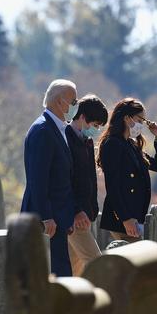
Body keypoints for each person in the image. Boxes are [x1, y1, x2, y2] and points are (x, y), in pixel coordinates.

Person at [21, 79, 78, 276]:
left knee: (61, 275)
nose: (75, 106)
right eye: (73, 101)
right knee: (53, 277)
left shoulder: (56, 128)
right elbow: (38, 179)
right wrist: (46, 216)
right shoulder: (43, 130)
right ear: (60, 101)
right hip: (47, 220)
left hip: (59, 217)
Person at [97, 98, 157, 242]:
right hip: (122, 219)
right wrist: (125, 218)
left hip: (135, 217)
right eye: (140, 120)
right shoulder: (113, 144)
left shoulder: (132, 145)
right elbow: (112, 185)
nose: (141, 125)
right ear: (126, 118)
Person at [65, 94, 108, 275]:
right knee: (97, 265)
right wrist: (76, 210)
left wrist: (91, 210)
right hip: (74, 216)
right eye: (95, 125)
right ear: (82, 117)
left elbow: (90, 178)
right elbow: (64, 180)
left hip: (86, 216)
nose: (96, 130)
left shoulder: (87, 142)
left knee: (75, 272)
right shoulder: (65, 138)